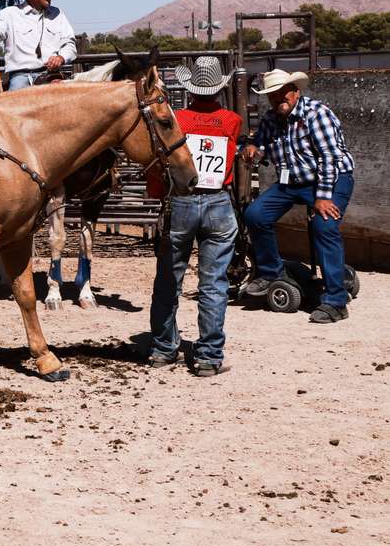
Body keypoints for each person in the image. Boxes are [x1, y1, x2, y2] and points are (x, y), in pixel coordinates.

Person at [143, 57, 243, 375]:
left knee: (169, 279)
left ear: (189, 88)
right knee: (213, 283)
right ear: (218, 88)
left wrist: (158, 192)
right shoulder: (232, 120)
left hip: (183, 201)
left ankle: (163, 348)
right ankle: (208, 356)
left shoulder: (178, 119)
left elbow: (161, 164)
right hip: (218, 202)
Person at [240, 69, 357, 322]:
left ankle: (336, 301)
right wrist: (251, 147)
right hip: (293, 182)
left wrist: (323, 197)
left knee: (323, 225)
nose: (278, 97)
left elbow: (329, 158)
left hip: (332, 179)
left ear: (295, 91)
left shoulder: (317, 114)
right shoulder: (271, 118)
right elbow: (259, 143)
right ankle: (271, 273)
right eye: (272, 94)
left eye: (283, 92)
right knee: (255, 215)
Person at [0, 0, 76, 91]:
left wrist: (61, 58)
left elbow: (69, 44)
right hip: (21, 76)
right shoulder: (9, 14)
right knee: (17, 105)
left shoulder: (58, 14)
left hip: (51, 75)